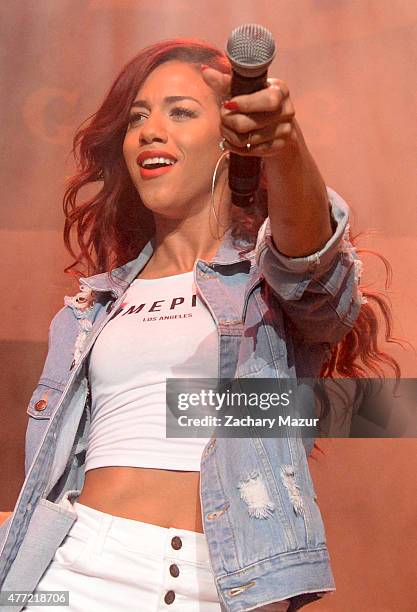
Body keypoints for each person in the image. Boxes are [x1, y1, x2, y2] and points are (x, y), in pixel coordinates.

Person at [0, 38, 397, 612]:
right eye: (138, 117)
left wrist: (284, 145)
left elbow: (313, 269)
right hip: (75, 572)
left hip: (219, 583)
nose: (149, 130)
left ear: (232, 140)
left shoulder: (264, 282)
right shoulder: (90, 308)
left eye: (180, 112)